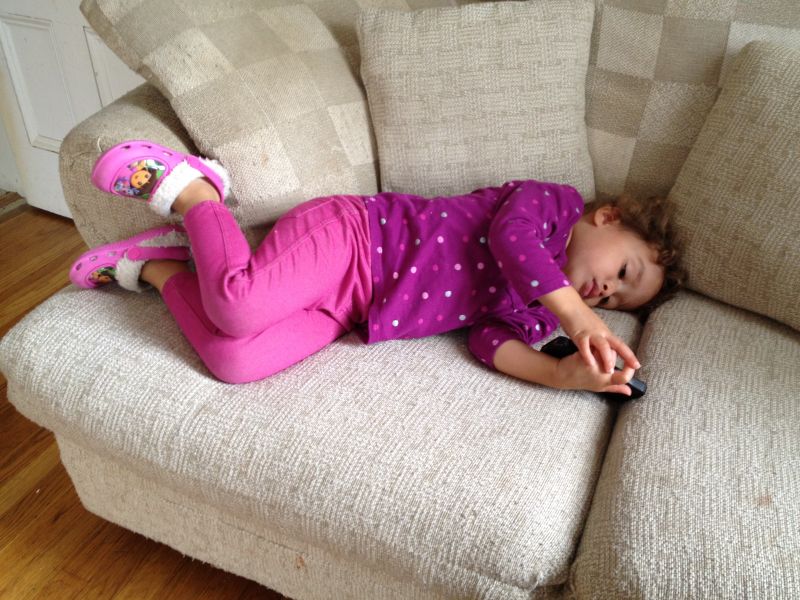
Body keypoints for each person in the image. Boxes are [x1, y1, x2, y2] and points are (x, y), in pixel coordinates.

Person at [71, 140, 684, 388]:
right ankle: (197, 192)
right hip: (355, 237)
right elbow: (510, 238)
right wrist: (578, 315)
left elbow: (489, 341)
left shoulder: (539, 314)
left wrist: (561, 374)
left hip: (352, 309)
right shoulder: (556, 207)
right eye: (623, 273)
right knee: (237, 305)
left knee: (237, 362)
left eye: (614, 301)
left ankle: (161, 267)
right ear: (608, 218)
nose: (604, 292)